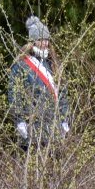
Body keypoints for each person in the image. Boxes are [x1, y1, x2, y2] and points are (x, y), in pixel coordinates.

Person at [9, 16, 69, 148]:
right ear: (33, 41)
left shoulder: (53, 64)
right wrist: (19, 120)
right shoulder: (21, 66)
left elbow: (63, 94)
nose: (44, 43)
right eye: (41, 39)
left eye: (46, 39)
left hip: (54, 125)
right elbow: (15, 95)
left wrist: (64, 119)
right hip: (32, 124)